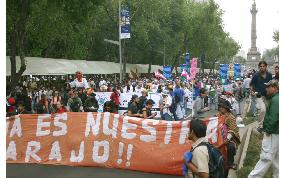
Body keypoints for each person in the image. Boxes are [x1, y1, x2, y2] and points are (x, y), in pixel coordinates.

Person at [248, 79, 279, 178]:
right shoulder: (277, 98)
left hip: (273, 133)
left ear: (274, 88)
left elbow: (273, 118)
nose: (266, 88)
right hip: (277, 133)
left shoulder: (275, 100)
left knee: (266, 158)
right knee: (277, 159)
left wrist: (268, 131)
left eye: (268, 87)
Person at [216, 99, 240, 173]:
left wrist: (227, 138)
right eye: (220, 107)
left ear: (226, 108)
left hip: (230, 137)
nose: (220, 109)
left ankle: (230, 163)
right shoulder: (218, 115)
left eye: (222, 107)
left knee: (231, 147)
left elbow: (233, 130)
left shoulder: (231, 117)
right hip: (218, 135)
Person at [250, 61, 272, 131]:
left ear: (266, 66)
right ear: (259, 67)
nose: (262, 68)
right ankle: (260, 125)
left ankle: (265, 124)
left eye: (263, 66)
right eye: (261, 66)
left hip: (268, 95)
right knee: (263, 110)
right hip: (259, 95)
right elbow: (251, 84)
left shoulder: (269, 75)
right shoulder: (256, 75)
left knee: (267, 111)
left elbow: (271, 84)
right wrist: (252, 91)